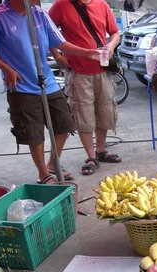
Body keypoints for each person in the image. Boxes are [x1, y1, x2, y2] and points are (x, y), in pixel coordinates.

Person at [0, 0, 101, 184]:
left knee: (64, 123)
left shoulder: (39, 14)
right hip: (22, 85)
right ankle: (43, 174)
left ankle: (51, 163)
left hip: (46, 81)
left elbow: (60, 43)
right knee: (34, 132)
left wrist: (87, 53)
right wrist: (7, 69)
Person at [49, 0, 122, 176]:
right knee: (83, 114)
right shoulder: (61, 5)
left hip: (102, 69)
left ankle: (101, 150)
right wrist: (57, 56)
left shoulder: (101, 4)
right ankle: (91, 156)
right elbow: (45, 33)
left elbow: (115, 33)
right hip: (78, 71)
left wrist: (111, 46)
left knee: (105, 110)